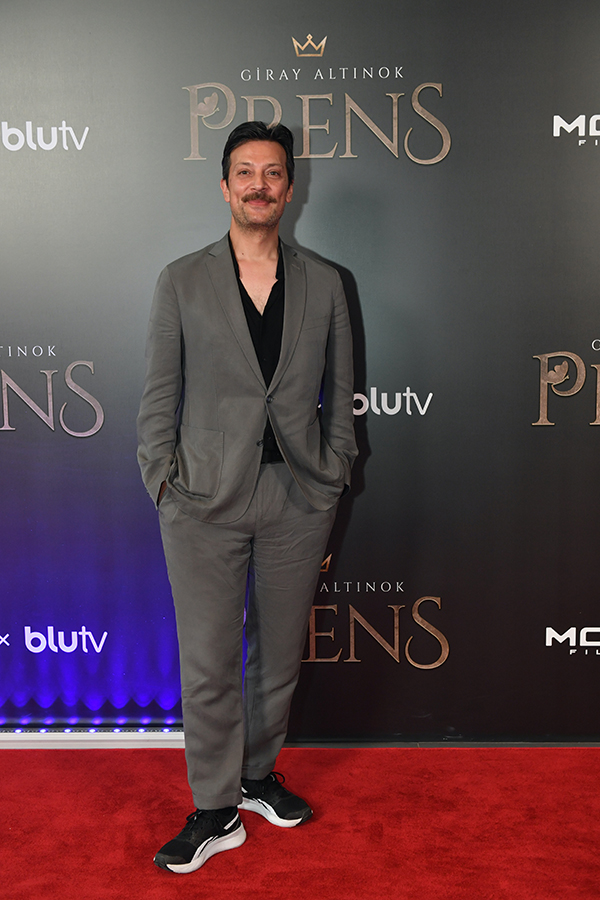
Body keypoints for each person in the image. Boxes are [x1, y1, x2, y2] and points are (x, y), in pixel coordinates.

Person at [137, 120, 357, 875]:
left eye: (272, 173)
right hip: (202, 498)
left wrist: (332, 475)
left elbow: (342, 393)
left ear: (290, 189)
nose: (259, 185)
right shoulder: (181, 280)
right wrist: (163, 482)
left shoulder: (325, 282)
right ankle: (214, 808)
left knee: (278, 656)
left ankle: (258, 776)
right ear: (225, 186)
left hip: (297, 494)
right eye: (245, 172)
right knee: (207, 660)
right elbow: (158, 396)